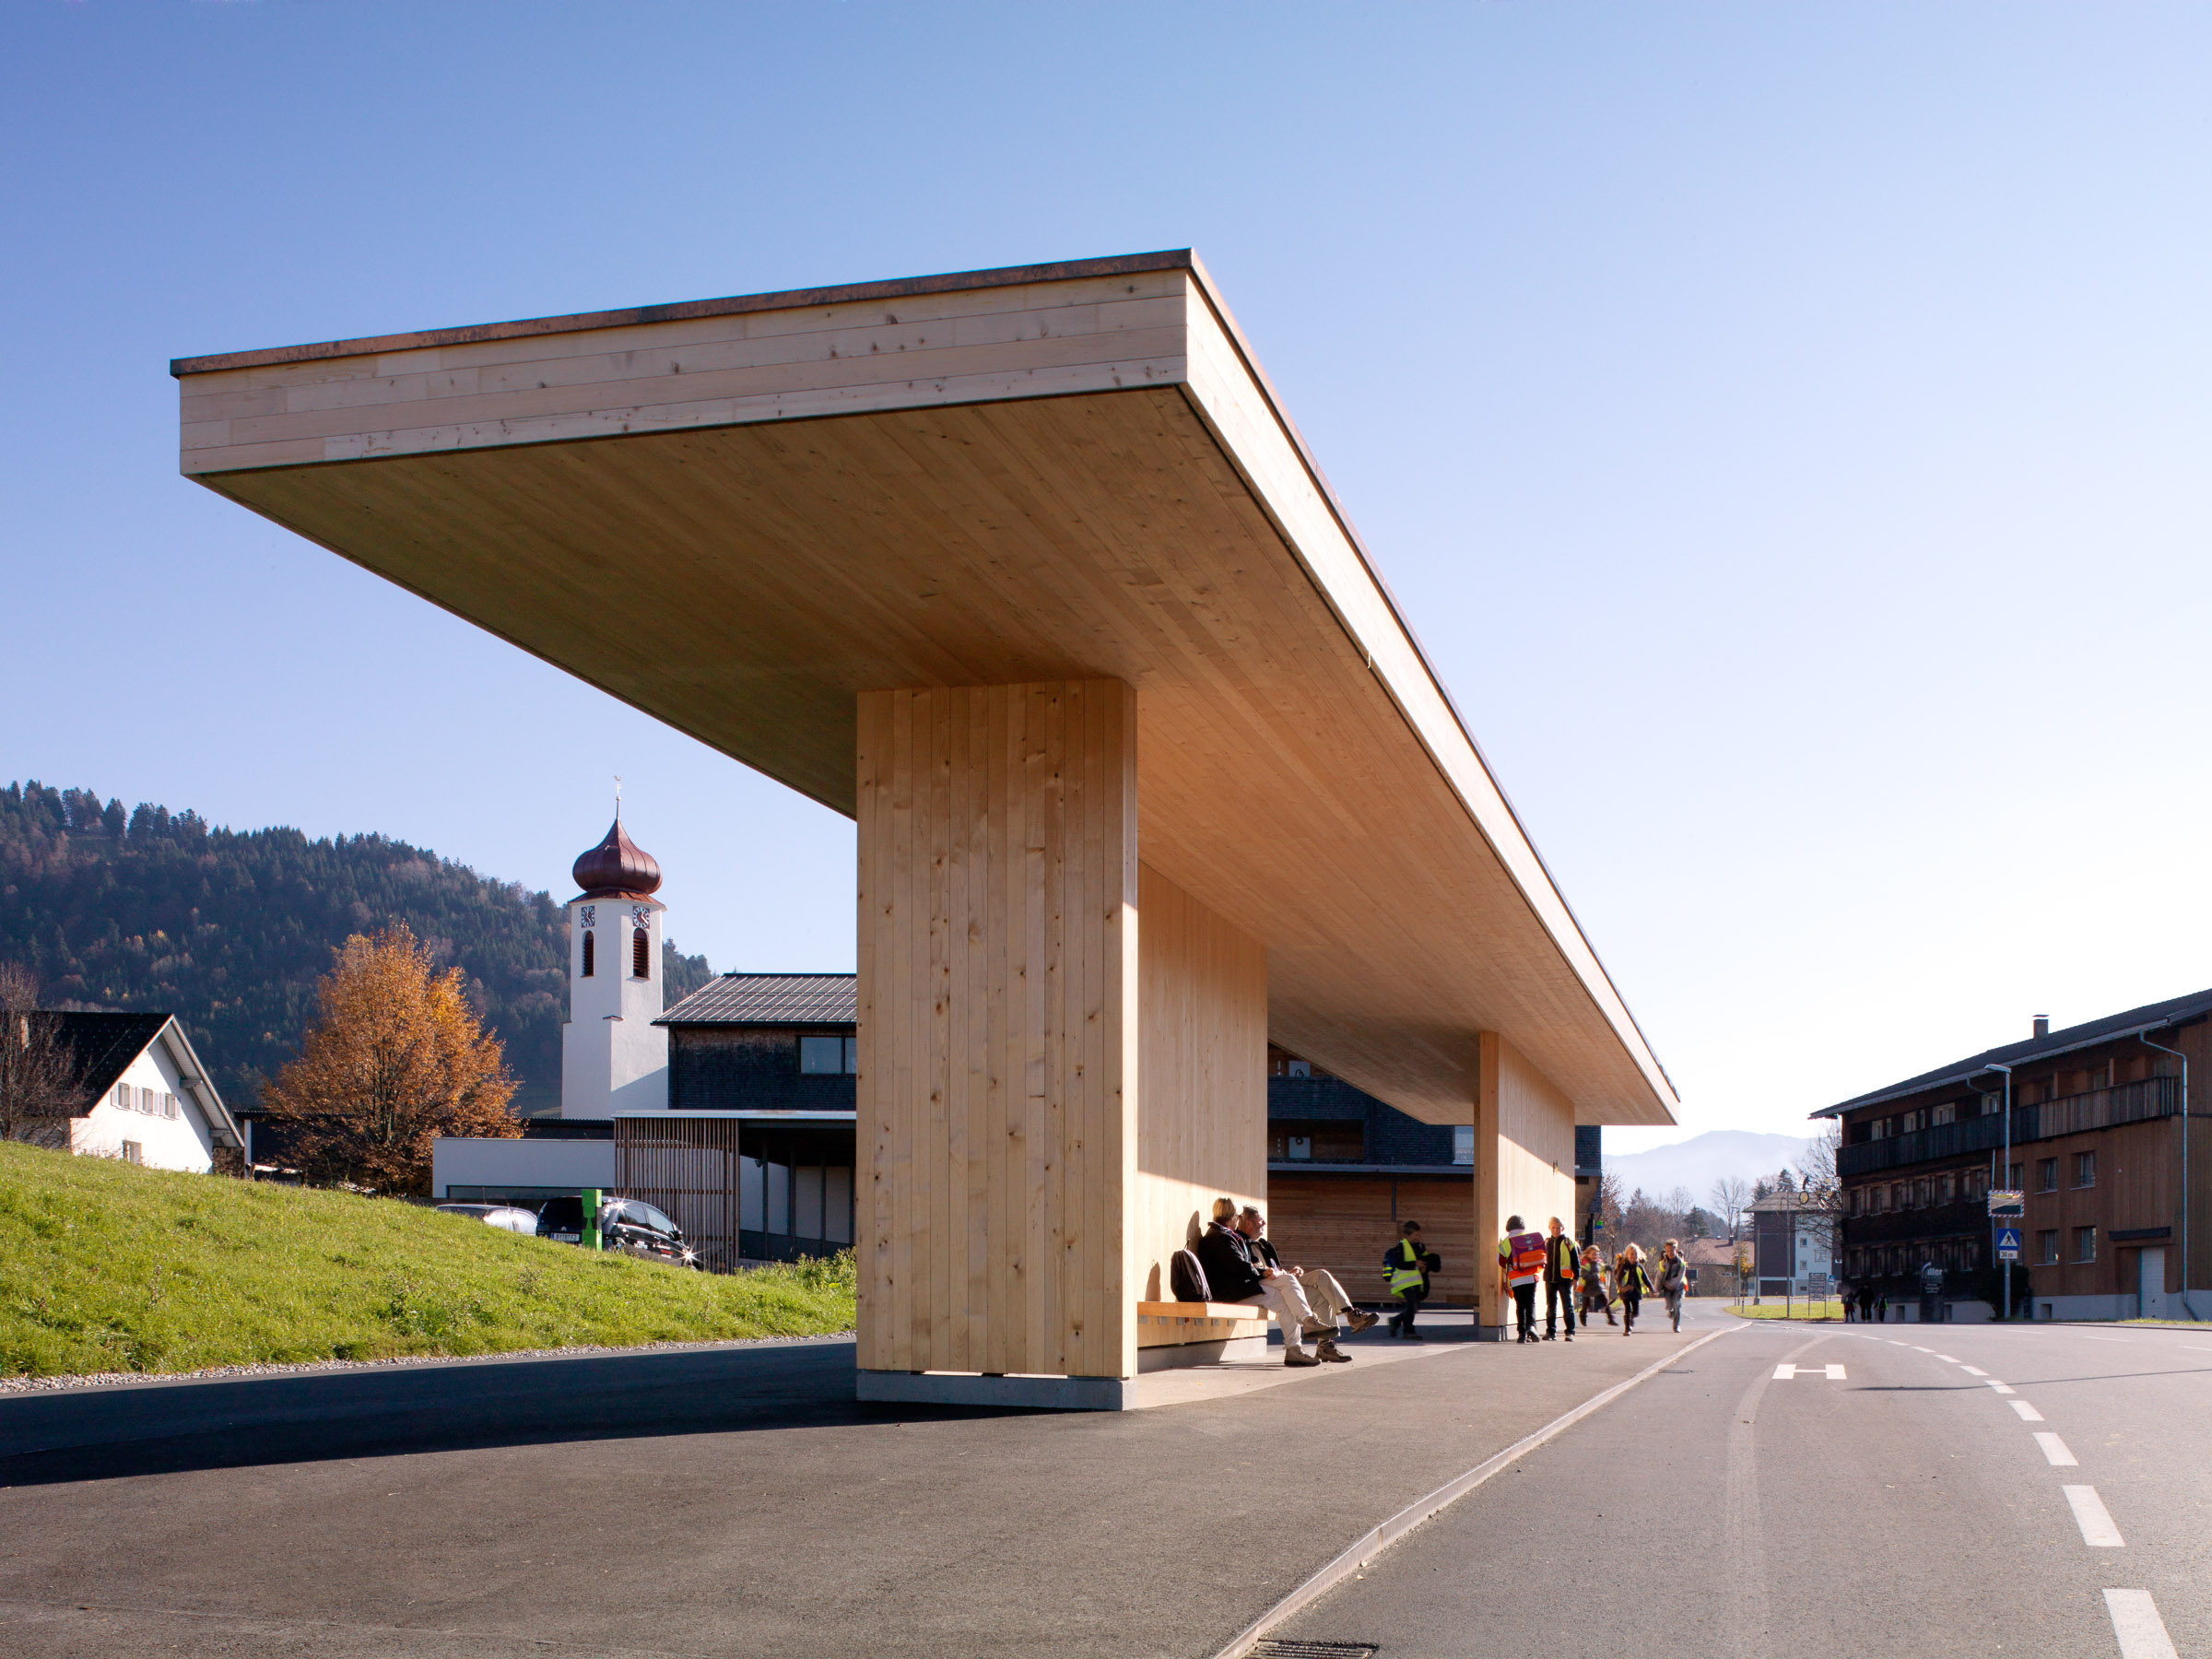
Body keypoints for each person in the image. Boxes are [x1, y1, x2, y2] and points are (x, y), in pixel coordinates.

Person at [1195, 1196, 1330, 1366]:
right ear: (1232, 1217)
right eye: (1238, 1217)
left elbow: (1240, 1265)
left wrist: (1265, 1271)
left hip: (1240, 1286)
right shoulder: (1218, 1238)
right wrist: (1262, 1271)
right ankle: (1303, 1330)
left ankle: (1300, 1337)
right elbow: (1239, 1266)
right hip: (1232, 1292)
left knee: (1286, 1284)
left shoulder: (1223, 1235)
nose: (1239, 1220)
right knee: (1284, 1296)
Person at [1238, 1206, 1377, 1358]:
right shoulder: (1241, 1243)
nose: (1264, 1224)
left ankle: (1345, 1321)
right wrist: (1280, 1275)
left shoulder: (1264, 1244)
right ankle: (1342, 1326)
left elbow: (1275, 1270)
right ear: (1249, 1223)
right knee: (1321, 1298)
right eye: (1261, 1220)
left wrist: (1289, 1274)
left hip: (1282, 1282)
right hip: (1267, 1289)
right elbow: (1251, 1271)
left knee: (1322, 1276)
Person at [1383, 1220, 1441, 1341]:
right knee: (1412, 1305)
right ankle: (1408, 1331)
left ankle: (1396, 1321)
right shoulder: (1401, 1246)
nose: (1418, 1237)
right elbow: (1400, 1264)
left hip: (1414, 1281)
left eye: (1419, 1235)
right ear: (1407, 1235)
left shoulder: (1420, 1246)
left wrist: (1426, 1265)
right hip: (1402, 1281)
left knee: (1414, 1307)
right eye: (1415, 1235)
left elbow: (1423, 1259)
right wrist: (1415, 1264)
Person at [1498, 1215, 1545, 1344]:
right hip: (1531, 1277)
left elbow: (1500, 1262)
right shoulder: (1529, 1239)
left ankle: (1522, 1334)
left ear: (1509, 1226)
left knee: (1520, 1305)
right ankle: (1531, 1327)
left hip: (1516, 1278)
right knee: (1530, 1303)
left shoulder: (1506, 1241)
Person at [1543, 1217, 1579, 1342]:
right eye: (1553, 1228)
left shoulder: (1568, 1242)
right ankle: (1551, 1332)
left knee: (1567, 1306)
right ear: (1549, 1228)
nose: (1556, 1230)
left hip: (1564, 1280)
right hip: (1550, 1279)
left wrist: (1576, 1278)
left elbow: (1575, 1261)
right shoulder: (1546, 1242)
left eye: (1558, 1228)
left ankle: (1570, 1332)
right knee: (1551, 1306)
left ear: (1562, 1228)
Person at [1615, 1241, 1651, 1335]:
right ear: (1627, 1255)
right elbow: (1618, 1279)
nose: (1633, 1256)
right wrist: (1621, 1288)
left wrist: (1652, 1289)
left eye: (1635, 1254)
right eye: (1631, 1254)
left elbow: (1646, 1279)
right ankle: (1627, 1329)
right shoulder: (1624, 1266)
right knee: (1627, 1309)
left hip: (1635, 1292)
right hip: (1625, 1291)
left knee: (1636, 1312)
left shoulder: (1639, 1267)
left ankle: (1630, 1319)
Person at [1579, 1244, 1617, 1326]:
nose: (1594, 1256)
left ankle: (1611, 1319)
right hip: (1588, 1287)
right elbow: (1584, 1275)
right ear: (1588, 1254)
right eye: (1593, 1254)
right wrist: (1594, 1276)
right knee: (1586, 1305)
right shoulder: (1586, 1264)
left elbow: (1604, 1267)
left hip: (1598, 1287)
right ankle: (1583, 1317)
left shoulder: (1598, 1263)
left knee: (1606, 1302)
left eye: (1596, 1254)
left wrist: (1610, 1268)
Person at [1657, 1238, 1688, 1333]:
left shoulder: (1681, 1264)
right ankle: (1671, 1311)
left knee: (1676, 1304)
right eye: (1668, 1251)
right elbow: (1659, 1277)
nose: (1670, 1253)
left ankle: (1676, 1325)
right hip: (1667, 1288)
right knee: (1669, 1305)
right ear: (1665, 1251)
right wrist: (1656, 1289)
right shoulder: (1663, 1263)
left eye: (1672, 1250)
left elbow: (1679, 1277)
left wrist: (1672, 1285)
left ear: (1676, 1250)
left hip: (1678, 1287)